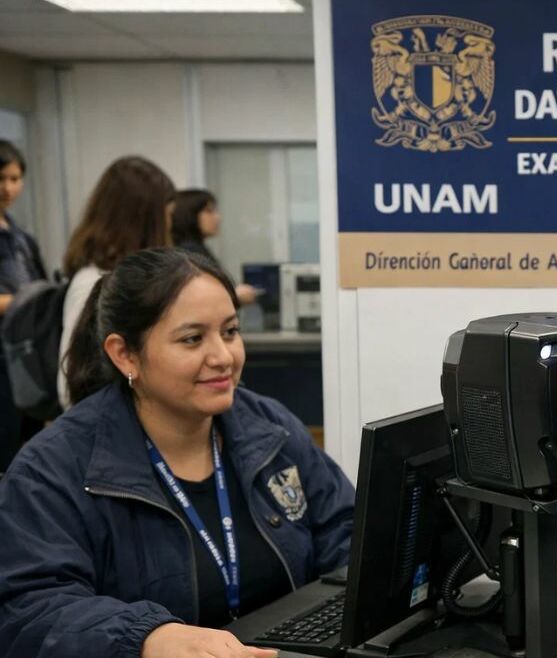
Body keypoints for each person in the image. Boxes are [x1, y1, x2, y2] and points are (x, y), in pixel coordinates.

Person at [0, 248, 355, 657]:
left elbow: (344, 529)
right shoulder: (53, 468)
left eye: (230, 331)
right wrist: (145, 637)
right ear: (125, 354)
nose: (223, 357)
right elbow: (28, 611)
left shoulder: (267, 425)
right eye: (192, 339)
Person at [58, 155, 175, 410]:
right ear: (144, 219)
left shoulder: (141, 281)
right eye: (166, 214)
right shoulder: (92, 283)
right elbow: (70, 385)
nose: (169, 224)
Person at [0, 139, 49, 465]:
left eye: (15, 179)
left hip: (23, 354)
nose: (7, 188)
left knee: (27, 445)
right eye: (1, 179)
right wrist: (23, 300)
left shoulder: (21, 236)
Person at [172, 188, 257, 305]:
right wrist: (236, 296)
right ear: (189, 215)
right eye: (209, 211)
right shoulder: (190, 252)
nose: (218, 217)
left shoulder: (196, 247)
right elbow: (200, 301)